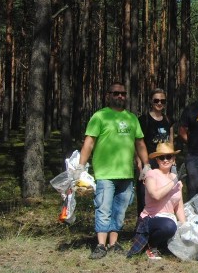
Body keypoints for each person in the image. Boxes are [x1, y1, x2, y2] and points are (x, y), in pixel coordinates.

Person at [78, 81, 149, 259]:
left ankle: (113, 243)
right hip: (105, 173)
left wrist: (146, 165)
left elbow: (139, 143)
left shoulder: (132, 118)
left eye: (123, 94)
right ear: (108, 95)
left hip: (125, 173)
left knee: (120, 210)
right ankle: (101, 245)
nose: (120, 96)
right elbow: (89, 142)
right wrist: (81, 166)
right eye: (116, 93)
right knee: (103, 207)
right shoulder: (100, 116)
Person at [127, 142, 186, 260]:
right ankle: (151, 246)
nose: (165, 160)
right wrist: (174, 182)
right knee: (169, 227)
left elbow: (178, 207)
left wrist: (185, 225)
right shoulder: (151, 174)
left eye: (168, 157)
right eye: (161, 157)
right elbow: (156, 195)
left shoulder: (177, 180)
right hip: (151, 218)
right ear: (157, 160)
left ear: (173, 159)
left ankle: (161, 244)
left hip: (170, 218)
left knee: (179, 228)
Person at [136, 88, 173, 216]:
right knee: (145, 194)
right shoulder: (143, 120)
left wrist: (173, 162)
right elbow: (138, 143)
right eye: (156, 100)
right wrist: (140, 163)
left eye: (162, 101)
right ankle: (142, 224)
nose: (159, 103)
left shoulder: (168, 120)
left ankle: (160, 221)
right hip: (149, 161)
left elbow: (171, 141)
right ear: (151, 102)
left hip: (165, 161)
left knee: (164, 192)